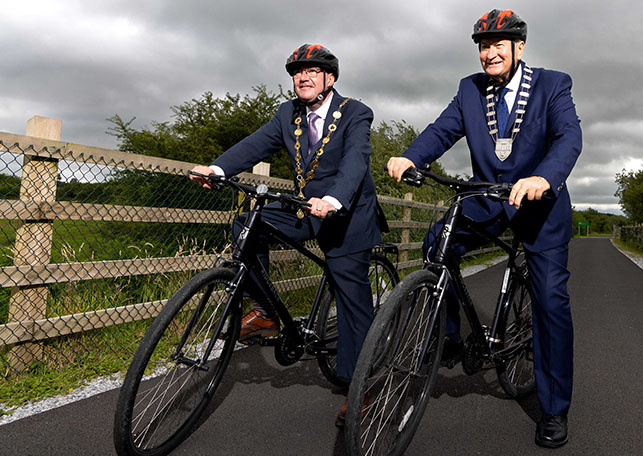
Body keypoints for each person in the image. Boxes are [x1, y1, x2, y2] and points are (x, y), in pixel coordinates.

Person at [386, 9, 582, 449]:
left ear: (519, 47)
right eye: (483, 46)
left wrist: (544, 177)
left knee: (550, 300)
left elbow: (569, 136)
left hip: (539, 204)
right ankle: (449, 336)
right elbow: (442, 130)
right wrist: (412, 155)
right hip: (489, 198)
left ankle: (554, 407)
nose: (489, 53)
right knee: (436, 242)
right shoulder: (469, 90)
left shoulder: (553, 84)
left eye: (498, 45)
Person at [190, 43, 382, 426]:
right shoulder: (287, 114)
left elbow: (355, 161)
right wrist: (217, 169)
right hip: (306, 208)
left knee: (351, 298)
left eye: (311, 71)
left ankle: (358, 387)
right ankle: (266, 311)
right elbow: (255, 145)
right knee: (248, 224)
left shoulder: (355, 112)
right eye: (297, 73)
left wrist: (334, 199)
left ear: (330, 77)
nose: (302, 78)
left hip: (347, 215)